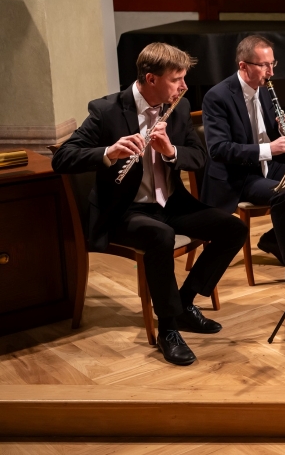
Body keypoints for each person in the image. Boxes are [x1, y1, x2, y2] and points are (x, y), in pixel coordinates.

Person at [52, 43, 247, 366]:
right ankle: (168, 329)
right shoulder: (107, 111)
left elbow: (198, 157)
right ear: (150, 78)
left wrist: (171, 151)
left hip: (170, 204)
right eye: (177, 79)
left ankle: (183, 302)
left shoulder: (179, 108)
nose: (184, 87)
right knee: (160, 236)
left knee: (232, 228)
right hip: (124, 211)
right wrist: (109, 152)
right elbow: (62, 158)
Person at [201, 35, 285, 294]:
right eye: (264, 65)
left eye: (273, 64)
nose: (271, 72)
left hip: (264, 167)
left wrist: (282, 129)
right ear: (243, 66)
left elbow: (263, 134)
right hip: (237, 176)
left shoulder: (263, 89)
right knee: (284, 193)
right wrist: (270, 148)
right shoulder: (217, 97)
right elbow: (218, 149)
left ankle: (275, 240)